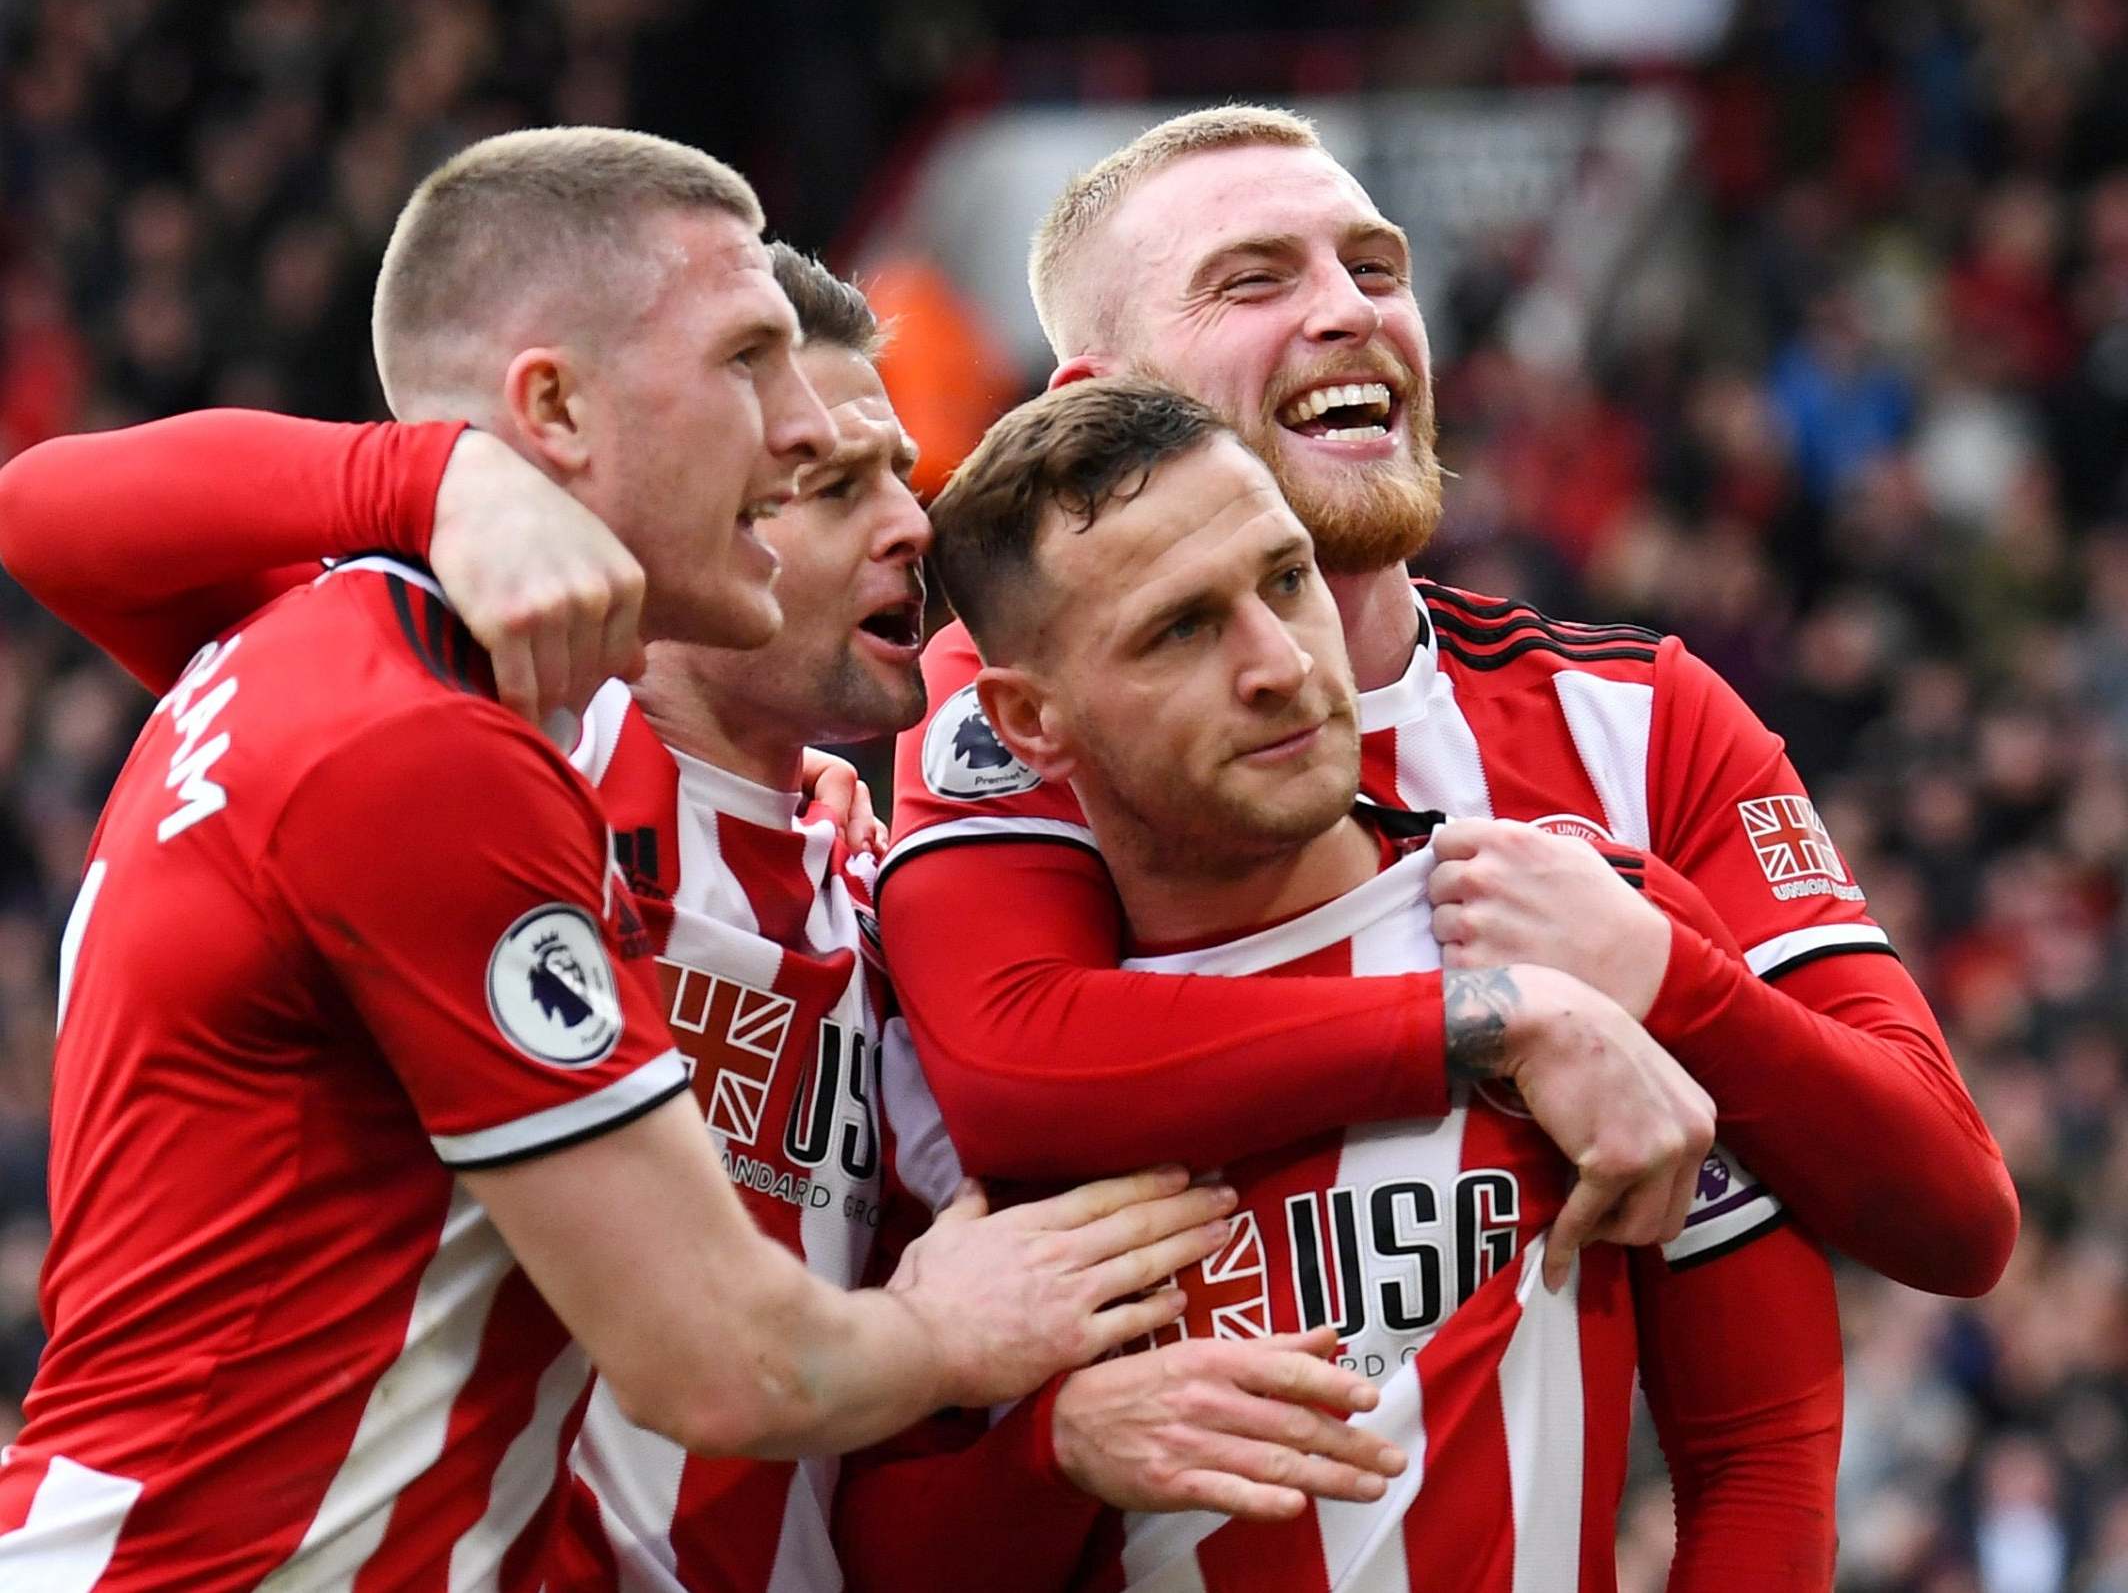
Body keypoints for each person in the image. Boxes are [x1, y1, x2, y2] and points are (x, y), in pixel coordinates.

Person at [0, 243, 1402, 1590]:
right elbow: (50, 516)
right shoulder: (493, 760)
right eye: (834, 483)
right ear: (690, 501)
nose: (911, 525)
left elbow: (901, 1442)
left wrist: (1047, 1439)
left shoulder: (877, 909)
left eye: (901, 477)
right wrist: (438, 481)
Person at [878, 104, 2018, 1297]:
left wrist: (1668, 979)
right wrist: (1500, 1016)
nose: (1349, 308)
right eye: (1252, 282)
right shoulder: (1013, 699)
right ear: (1102, 403)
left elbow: (1953, 1212)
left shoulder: (1641, 717)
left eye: (1374, 268)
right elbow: (1009, 1065)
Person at [839, 376, 1843, 1593]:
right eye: (1180, 629)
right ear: (1027, 723)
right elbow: (881, 1561)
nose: (1276, 664)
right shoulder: (947, 1057)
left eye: (1285, 579)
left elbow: (1766, 1447)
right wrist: (1057, 1458)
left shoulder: (1580, 928)